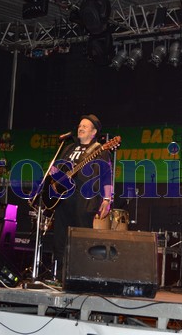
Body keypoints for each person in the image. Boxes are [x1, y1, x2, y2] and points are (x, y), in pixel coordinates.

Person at [50, 114, 113, 279]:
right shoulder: (69, 148)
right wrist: (55, 177)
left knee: (81, 237)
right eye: (79, 125)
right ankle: (59, 275)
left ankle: (81, 275)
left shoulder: (99, 149)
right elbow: (57, 169)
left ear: (94, 132)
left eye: (85, 126)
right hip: (63, 198)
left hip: (85, 198)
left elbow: (107, 176)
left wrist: (107, 199)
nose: (80, 128)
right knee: (60, 238)